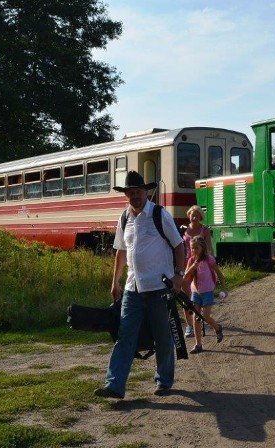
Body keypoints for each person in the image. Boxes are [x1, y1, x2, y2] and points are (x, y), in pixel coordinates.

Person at [94, 171, 186, 399]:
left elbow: (178, 245)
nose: (134, 196)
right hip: (132, 289)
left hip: (159, 288)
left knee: (162, 337)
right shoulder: (125, 217)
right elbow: (121, 252)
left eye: (138, 191)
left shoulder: (158, 214)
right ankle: (114, 386)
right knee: (125, 336)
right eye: (130, 192)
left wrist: (179, 275)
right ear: (126, 194)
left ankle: (164, 381)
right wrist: (115, 281)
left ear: (146, 191)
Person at [183, 235, 225, 353]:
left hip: (207, 291)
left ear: (202, 248)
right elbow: (185, 276)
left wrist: (224, 288)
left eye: (196, 248)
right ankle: (198, 345)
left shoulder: (209, 259)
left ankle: (217, 328)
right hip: (196, 292)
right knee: (196, 318)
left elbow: (219, 274)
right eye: (192, 248)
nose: (194, 251)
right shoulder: (191, 260)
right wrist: (192, 267)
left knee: (205, 317)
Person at [181, 205, 214, 337]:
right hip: (186, 265)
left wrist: (209, 263)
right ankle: (189, 326)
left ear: (200, 217)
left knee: (197, 297)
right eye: (192, 214)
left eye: (197, 215)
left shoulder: (204, 230)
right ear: (188, 215)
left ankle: (199, 320)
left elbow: (209, 249)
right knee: (185, 297)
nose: (194, 217)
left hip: (200, 266)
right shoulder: (183, 229)